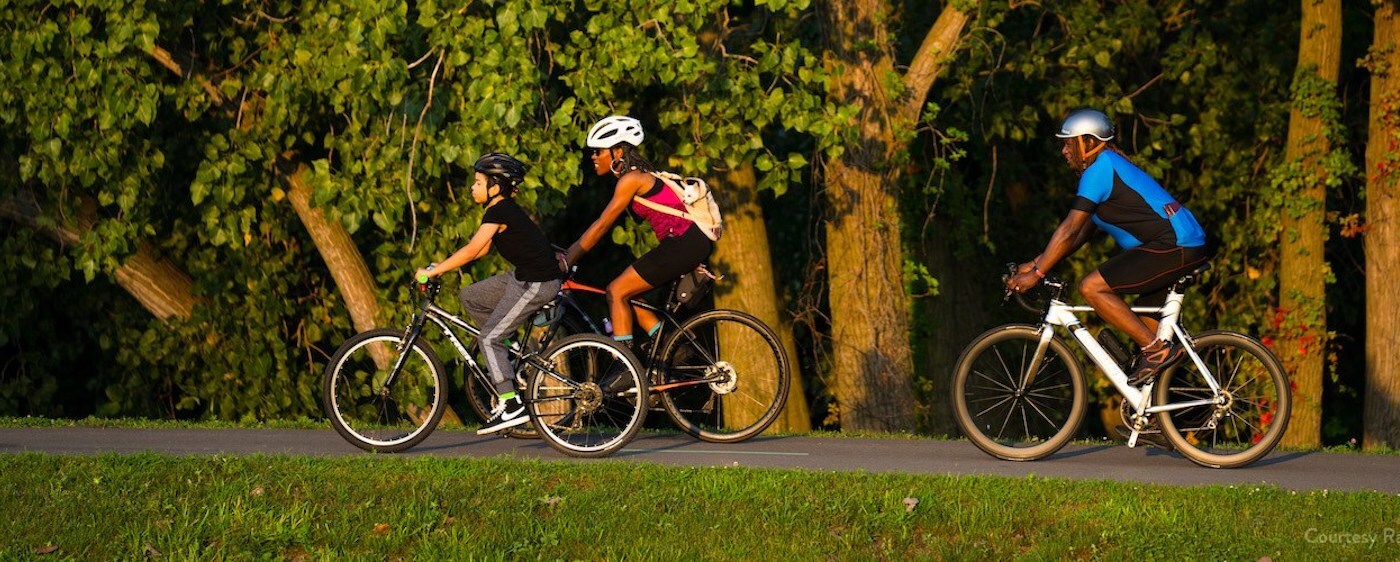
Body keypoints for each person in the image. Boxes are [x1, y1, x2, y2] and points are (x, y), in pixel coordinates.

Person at [1007, 108, 1210, 387]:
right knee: (1143, 343)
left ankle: (1157, 351)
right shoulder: (1104, 168)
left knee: (1092, 287)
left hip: (1175, 245)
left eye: (1069, 143)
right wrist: (1035, 263)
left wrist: (1038, 273)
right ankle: (1151, 419)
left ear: (1089, 142)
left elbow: (1069, 229)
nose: (1064, 150)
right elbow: (1079, 236)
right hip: (1177, 246)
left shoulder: (1100, 169)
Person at [416, 153, 564, 434]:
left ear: (495, 187)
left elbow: (472, 249)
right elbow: (482, 250)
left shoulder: (501, 211)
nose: (472, 188)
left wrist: (432, 272)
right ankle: (507, 348)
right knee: (471, 296)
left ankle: (511, 404)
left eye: (477, 182)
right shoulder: (499, 210)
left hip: (537, 283)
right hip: (521, 277)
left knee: (488, 338)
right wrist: (442, 267)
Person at [564, 116, 714, 351]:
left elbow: (602, 225)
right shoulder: (639, 174)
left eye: (597, 151)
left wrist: (568, 258)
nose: (592, 156)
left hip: (684, 242)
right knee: (630, 295)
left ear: (617, 152)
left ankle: (624, 364)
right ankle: (671, 347)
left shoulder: (631, 179)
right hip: (687, 242)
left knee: (616, 290)